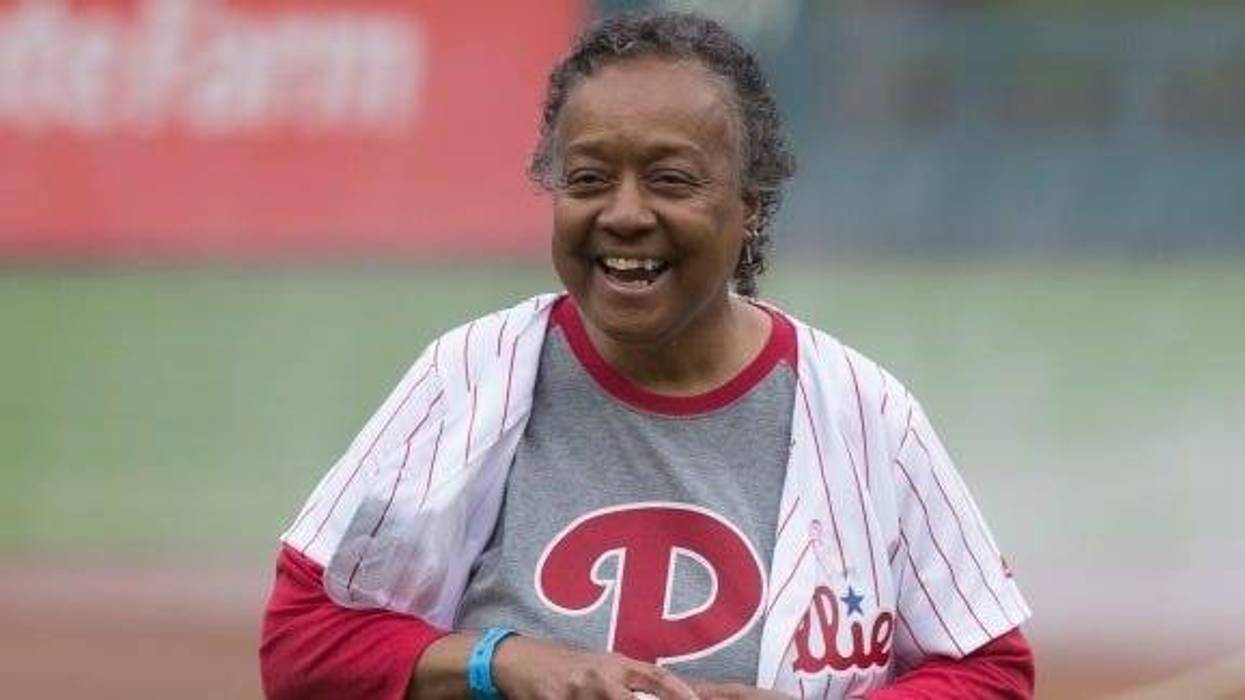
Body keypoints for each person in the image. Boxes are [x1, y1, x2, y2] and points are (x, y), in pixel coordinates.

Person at [260, 12, 1034, 700]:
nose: (624, 213)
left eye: (669, 180)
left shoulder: (865, 412)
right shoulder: (467, 373)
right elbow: (301, 643)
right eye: (588, 179)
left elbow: (991, 672)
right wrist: (503, 662)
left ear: (747, 207)